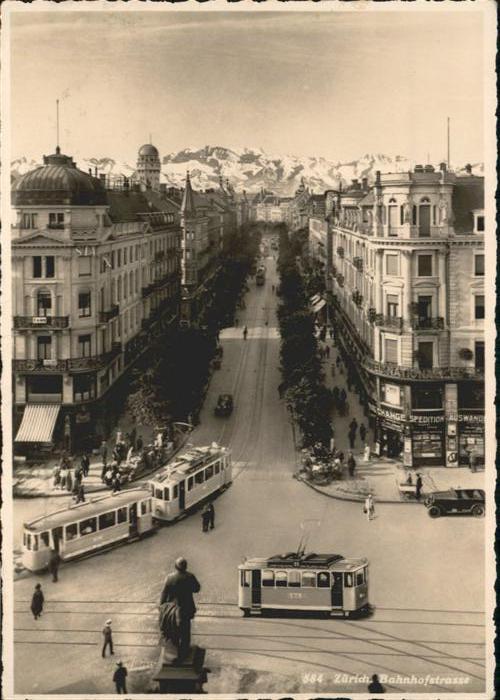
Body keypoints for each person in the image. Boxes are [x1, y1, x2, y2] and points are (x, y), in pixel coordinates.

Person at [159, 557, 201, 663]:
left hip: (173, 609)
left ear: (175, 566)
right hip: (186, 608)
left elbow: (163, 594)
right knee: (185, 631)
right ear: (186, 566)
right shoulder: (190, 576)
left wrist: (161, 606)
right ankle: (184, 652)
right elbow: (197, 589)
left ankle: (175, 652)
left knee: (174, 631)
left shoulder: (169, 578)